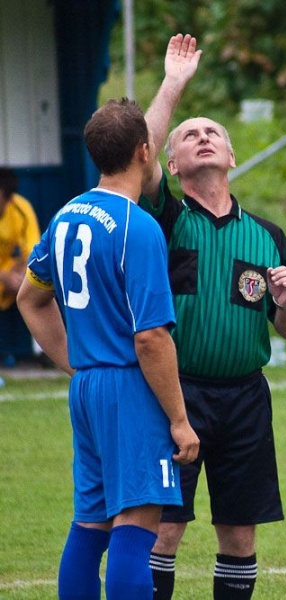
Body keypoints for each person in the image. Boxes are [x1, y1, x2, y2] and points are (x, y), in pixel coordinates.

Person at [139, 34, 286, 600]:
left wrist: (285, 305)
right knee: (164, 528)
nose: (203, 137)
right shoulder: (163, 219)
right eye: (191, 134)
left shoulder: (267, 236)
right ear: (172, 162)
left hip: (245, 398)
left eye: (214, 132)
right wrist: (173, 85)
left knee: (239, 531)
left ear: (232, 156)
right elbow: (140, 151)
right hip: (173, 394)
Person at [16, 99, 200, 599]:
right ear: (146, 151)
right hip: (128, 388)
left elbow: (29, 299)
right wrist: (180, 420)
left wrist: (76, 364)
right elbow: (150, 337)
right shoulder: (138, 228)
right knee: (136, 528)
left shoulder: (66, 215)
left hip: (89, 388)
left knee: (92, 523)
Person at [0, 167, 40, 366]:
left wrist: (19, 275)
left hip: (8, 275)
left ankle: (39, 353)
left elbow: (33, 254)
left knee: (36, 285)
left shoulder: (21, 209)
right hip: (2, 276)